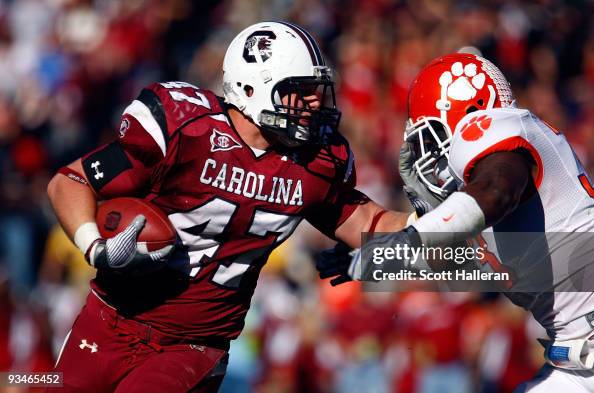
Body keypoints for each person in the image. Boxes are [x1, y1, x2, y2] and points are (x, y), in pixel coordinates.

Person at [46, 21, 410, 393]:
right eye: (300, 92)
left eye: (318, 92)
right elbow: (70, 181)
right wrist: (96, 247)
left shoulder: (315, 162)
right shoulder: (186, 128)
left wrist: (449, 222)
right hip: (109, 318)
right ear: (253, 87)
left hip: (192, 347)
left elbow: (370, 223)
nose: (316, 104)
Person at [317, 53, 594, 392]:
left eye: (427, 138)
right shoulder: (487, 215)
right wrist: (377, 256)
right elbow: (456, 261)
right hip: (583, 359)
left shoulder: (496, 134)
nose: (426, 154)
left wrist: (403, 246)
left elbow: (496, 189)